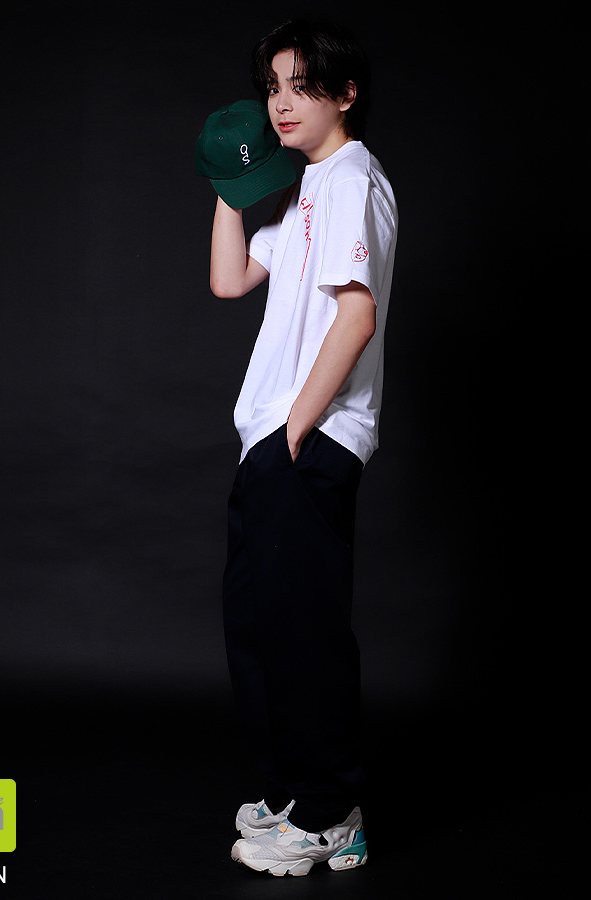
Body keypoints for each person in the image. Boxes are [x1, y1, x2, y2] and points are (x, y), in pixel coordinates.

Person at [196, 18, 397, 877]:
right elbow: (229, 279)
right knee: (260, 630)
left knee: (304, 636)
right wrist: (231, 181)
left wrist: (296, 431)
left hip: (307, 439)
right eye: (273, 86)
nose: (281, 102)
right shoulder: (308, 186)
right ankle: (292, 796)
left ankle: (329, 815)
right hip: (271, 443)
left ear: (345, 94)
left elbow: (357, 316)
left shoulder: (353, 179)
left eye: (301, 84)